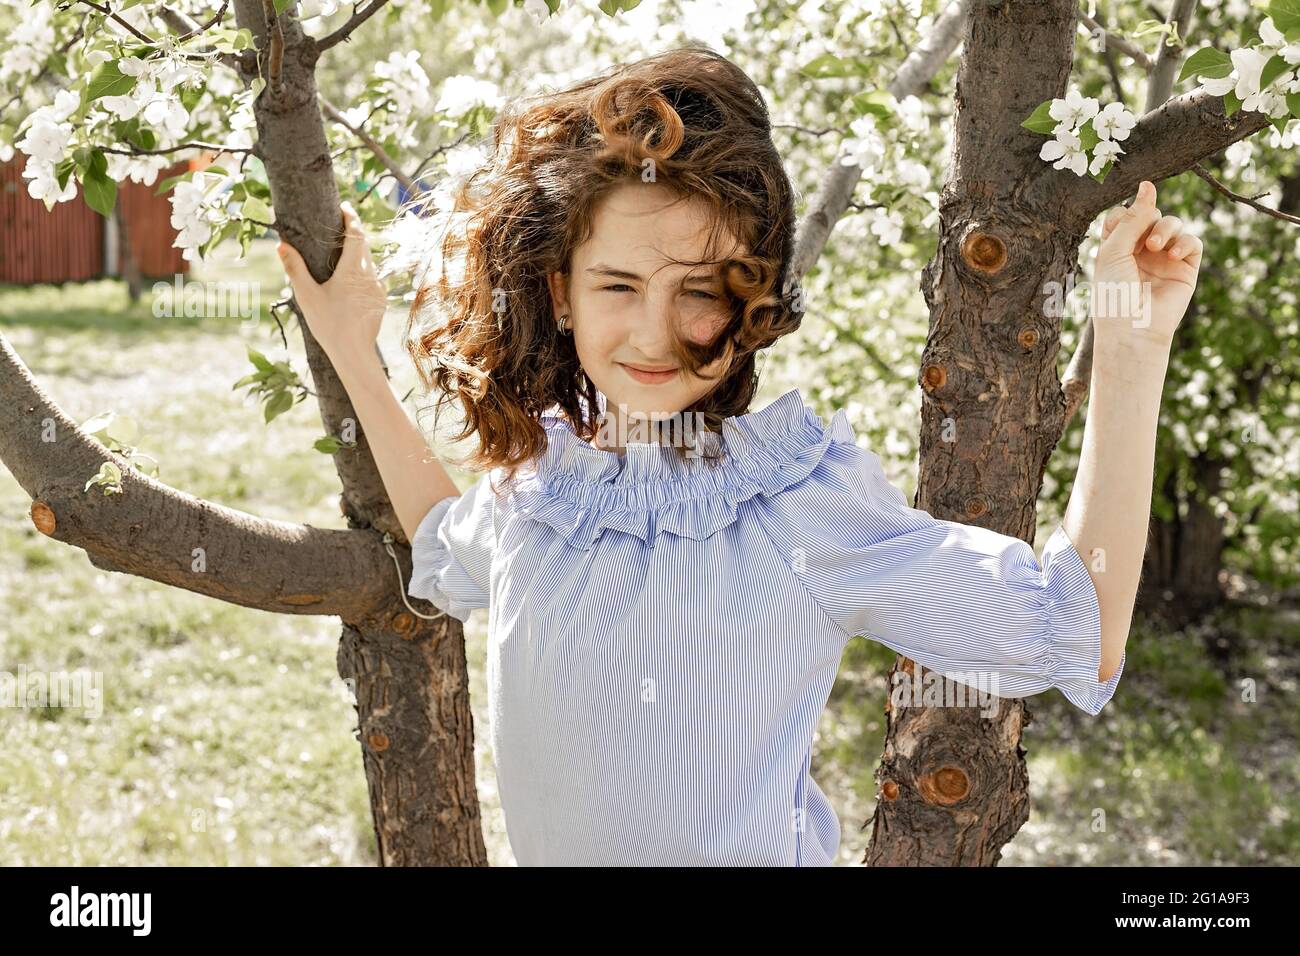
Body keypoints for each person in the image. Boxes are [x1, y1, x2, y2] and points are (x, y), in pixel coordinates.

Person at [277, 46, 1201, 866]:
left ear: (750, 300)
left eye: (700, 292)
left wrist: (1131, 343)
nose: (655, 333)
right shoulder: (545, 494)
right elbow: (441, 538)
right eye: (619, 285)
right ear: (561, 295)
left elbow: (1070, 628)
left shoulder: (791, 504)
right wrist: (355, 348)